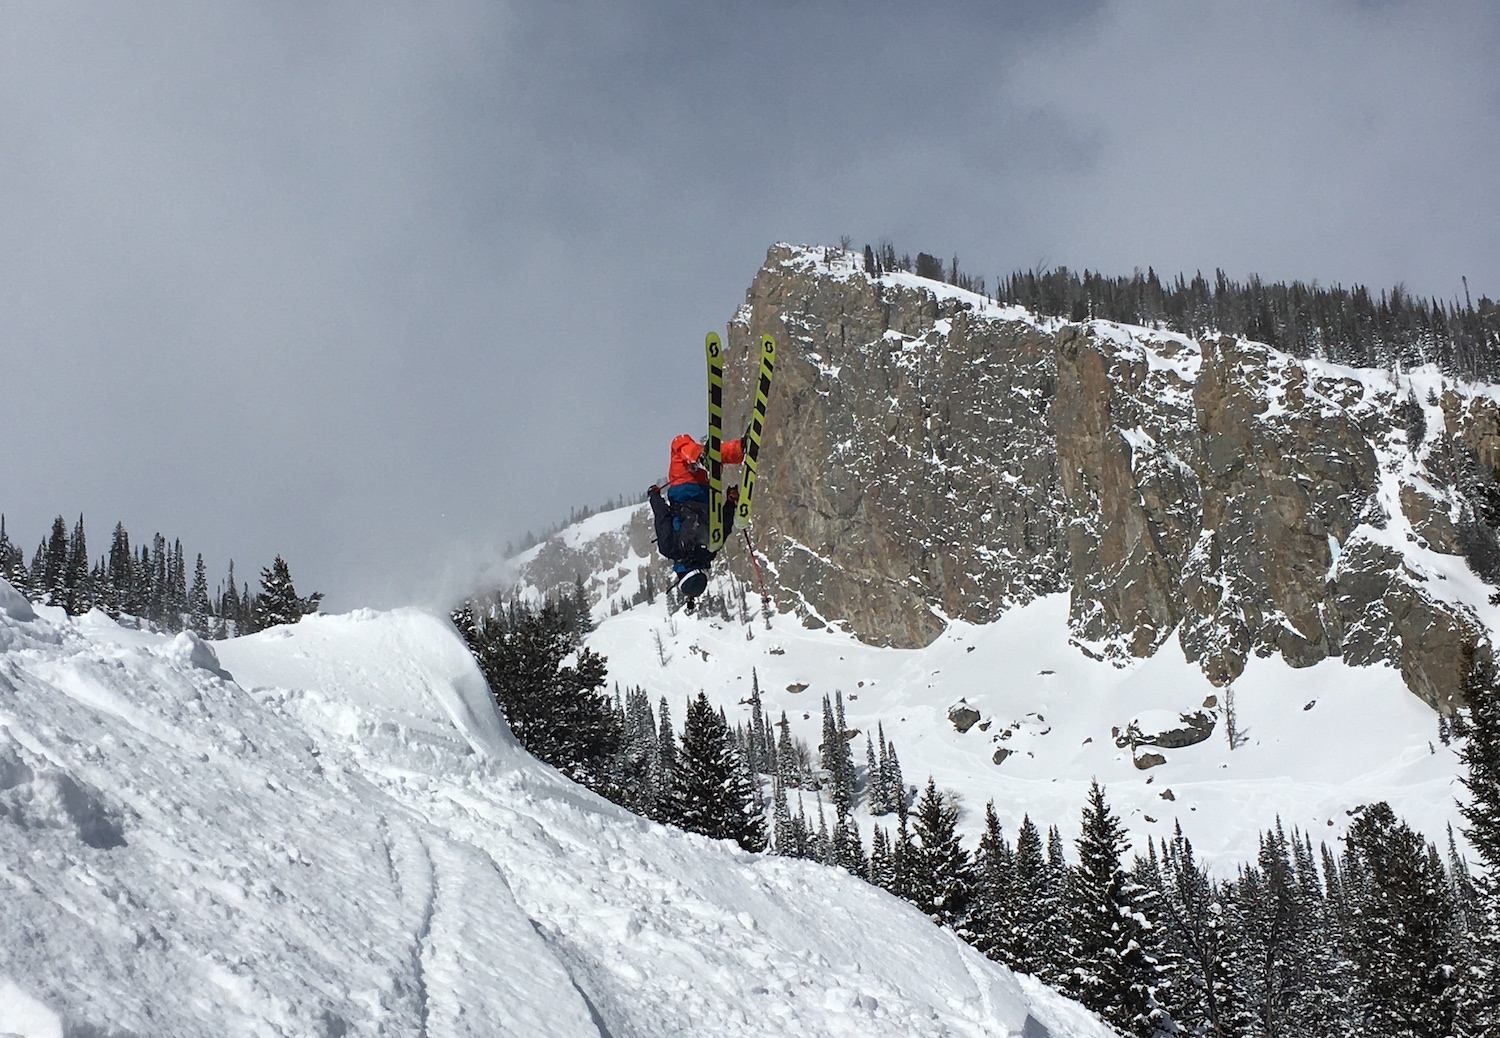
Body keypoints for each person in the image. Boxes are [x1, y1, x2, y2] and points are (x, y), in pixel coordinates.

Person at [648, 431, 746, 612]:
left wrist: (731, 502)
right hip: (683, 487)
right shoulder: (671, 549)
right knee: (679, 442)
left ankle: (738, 450)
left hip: (707, 492)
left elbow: (724, 527)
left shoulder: (710, 551)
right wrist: (654, 496)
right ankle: (701, 456)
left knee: (711, 458)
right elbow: (662, 517)